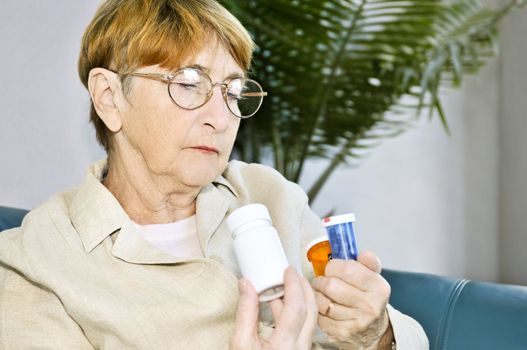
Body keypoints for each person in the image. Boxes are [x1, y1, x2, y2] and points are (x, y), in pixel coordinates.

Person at [0, 0, 428, 349]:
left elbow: (393, 337)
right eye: (188, 83)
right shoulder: (33, 263)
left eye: (233, 91)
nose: (222, 118)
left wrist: (376, 334)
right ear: (110, 97)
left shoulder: (268, 194)